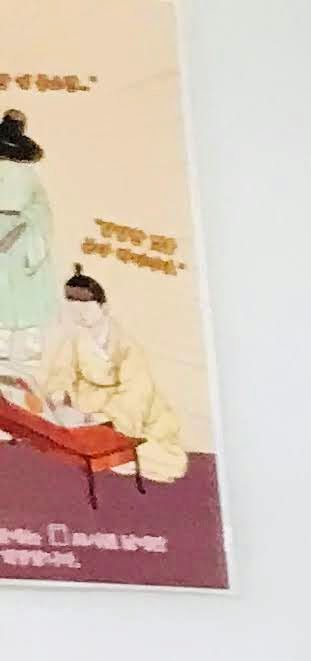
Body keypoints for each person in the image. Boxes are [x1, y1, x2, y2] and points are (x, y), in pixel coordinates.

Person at [25, 270, 187, 478]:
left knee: (162, 458)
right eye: (74, 310)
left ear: (104, 308)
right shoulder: (76, 339)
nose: (80, 315)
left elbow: (136, 392)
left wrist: (104, 418)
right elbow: (61, 371)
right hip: (85, 409)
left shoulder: (127, 346)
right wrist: (59, 394)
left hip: (128, 413)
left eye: (86, 309)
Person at [0, 114, 53, 407]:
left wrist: (18, 229)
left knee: (25, 310)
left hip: (21, 240)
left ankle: (25, 381)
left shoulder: (29, 175)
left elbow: (39, 209)